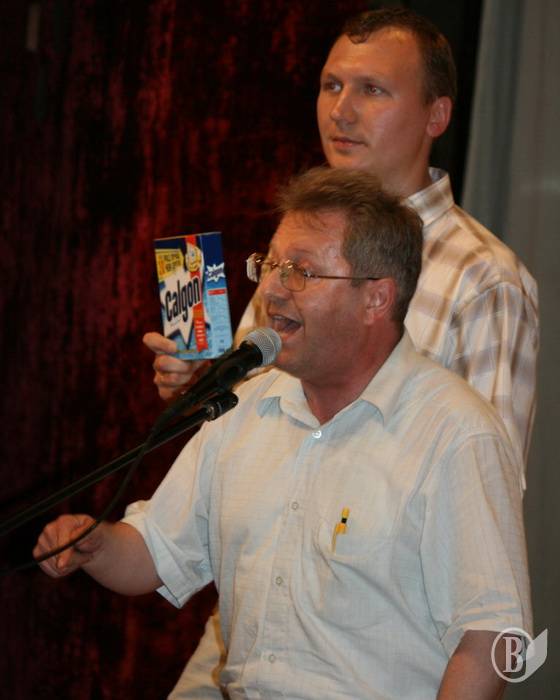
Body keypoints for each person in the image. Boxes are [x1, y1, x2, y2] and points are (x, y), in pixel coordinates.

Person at [143, 9, 539, 697]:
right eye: (331, 85)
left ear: (437, 115)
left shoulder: (483, 277)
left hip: (377, 644)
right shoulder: (298, 245)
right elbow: (263, 409)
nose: (341, 110)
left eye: (372, 90)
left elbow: (488, 492)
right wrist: (206, 384)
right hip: (252, 619)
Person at [34, 167, 531, 699]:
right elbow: (153, 554)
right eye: (269, 265)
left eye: (300, 272)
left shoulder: (455, 433)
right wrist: (96, 544)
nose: (270, 290)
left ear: (376, 299)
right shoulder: (246, 406)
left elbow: (494, 638)